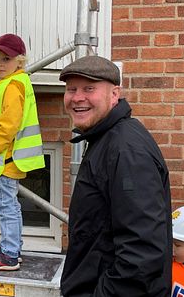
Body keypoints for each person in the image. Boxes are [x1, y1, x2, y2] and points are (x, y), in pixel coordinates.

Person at [59, 55, 172, 296]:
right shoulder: (106, 140)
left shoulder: (125, 150)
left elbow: (142, 252)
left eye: (89, 88)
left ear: (114, 95)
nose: (77, 97)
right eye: (71, 89)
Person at [0, 34, 45, 271]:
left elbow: (7, 125)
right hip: (7, 159)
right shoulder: (11, 83)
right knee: (9, 206)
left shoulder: (13, 86)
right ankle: (11, 248)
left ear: (20, 62)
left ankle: (9, 254)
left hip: (4, 159)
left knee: (5, 206)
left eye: (6, 59)